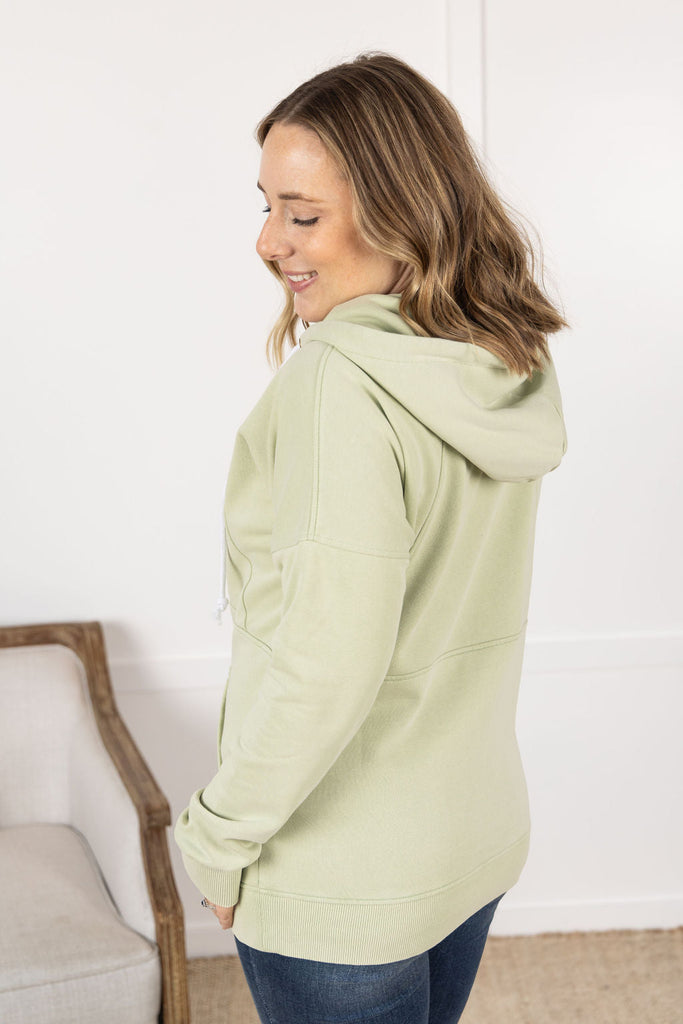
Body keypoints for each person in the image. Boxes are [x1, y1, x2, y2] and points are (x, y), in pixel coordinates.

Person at [174, 51, 567, 1023]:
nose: (269, 241)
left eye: (301, 214)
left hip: (339, 875)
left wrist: (218, 836)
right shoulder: (495, 355)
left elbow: (325, 661)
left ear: (401, 213)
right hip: (464, 838)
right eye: (266, 207)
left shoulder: (338, 387)